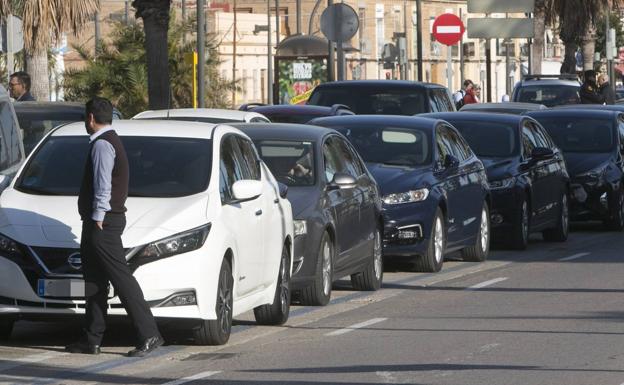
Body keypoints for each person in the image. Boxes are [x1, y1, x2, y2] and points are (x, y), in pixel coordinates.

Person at [66, 97, 163, 357]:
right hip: (100, 222)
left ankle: (150, 334)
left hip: (103, 223)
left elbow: (103, 183)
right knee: (94, 281)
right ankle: (92, 338)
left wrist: (98, 215)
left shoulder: (102, 145)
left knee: (122, 280)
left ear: (90, 118)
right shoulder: (109, 141)